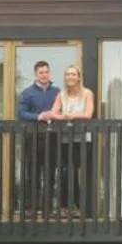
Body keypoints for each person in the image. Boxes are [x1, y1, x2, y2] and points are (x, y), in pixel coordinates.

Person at [42, 65, 95, 214]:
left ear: (78, 77)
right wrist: (63, 117)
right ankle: (67, 206)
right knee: (66, 172)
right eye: (67, 74)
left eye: (73, 74)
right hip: (65, 140)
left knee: (76, 173)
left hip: (82, 140)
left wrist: (73, 116)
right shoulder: (61, 94)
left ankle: (79, 207)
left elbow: (88, 114)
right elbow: (53, 112)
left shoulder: (86, 93)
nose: (70, 77)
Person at [14, 61, 59, 216]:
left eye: (46, 72)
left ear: (49, 73)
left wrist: (53, 115)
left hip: (52, 137)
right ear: (35, 74)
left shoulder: (57, 92)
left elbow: (62, 110)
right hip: (32, 138)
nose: (44, 75)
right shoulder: (27, 93)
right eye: (41, 72)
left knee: (50, 173)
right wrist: (38, 116)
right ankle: (32, 207)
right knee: (32, 172)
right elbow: (21, 114)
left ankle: (48, 209)